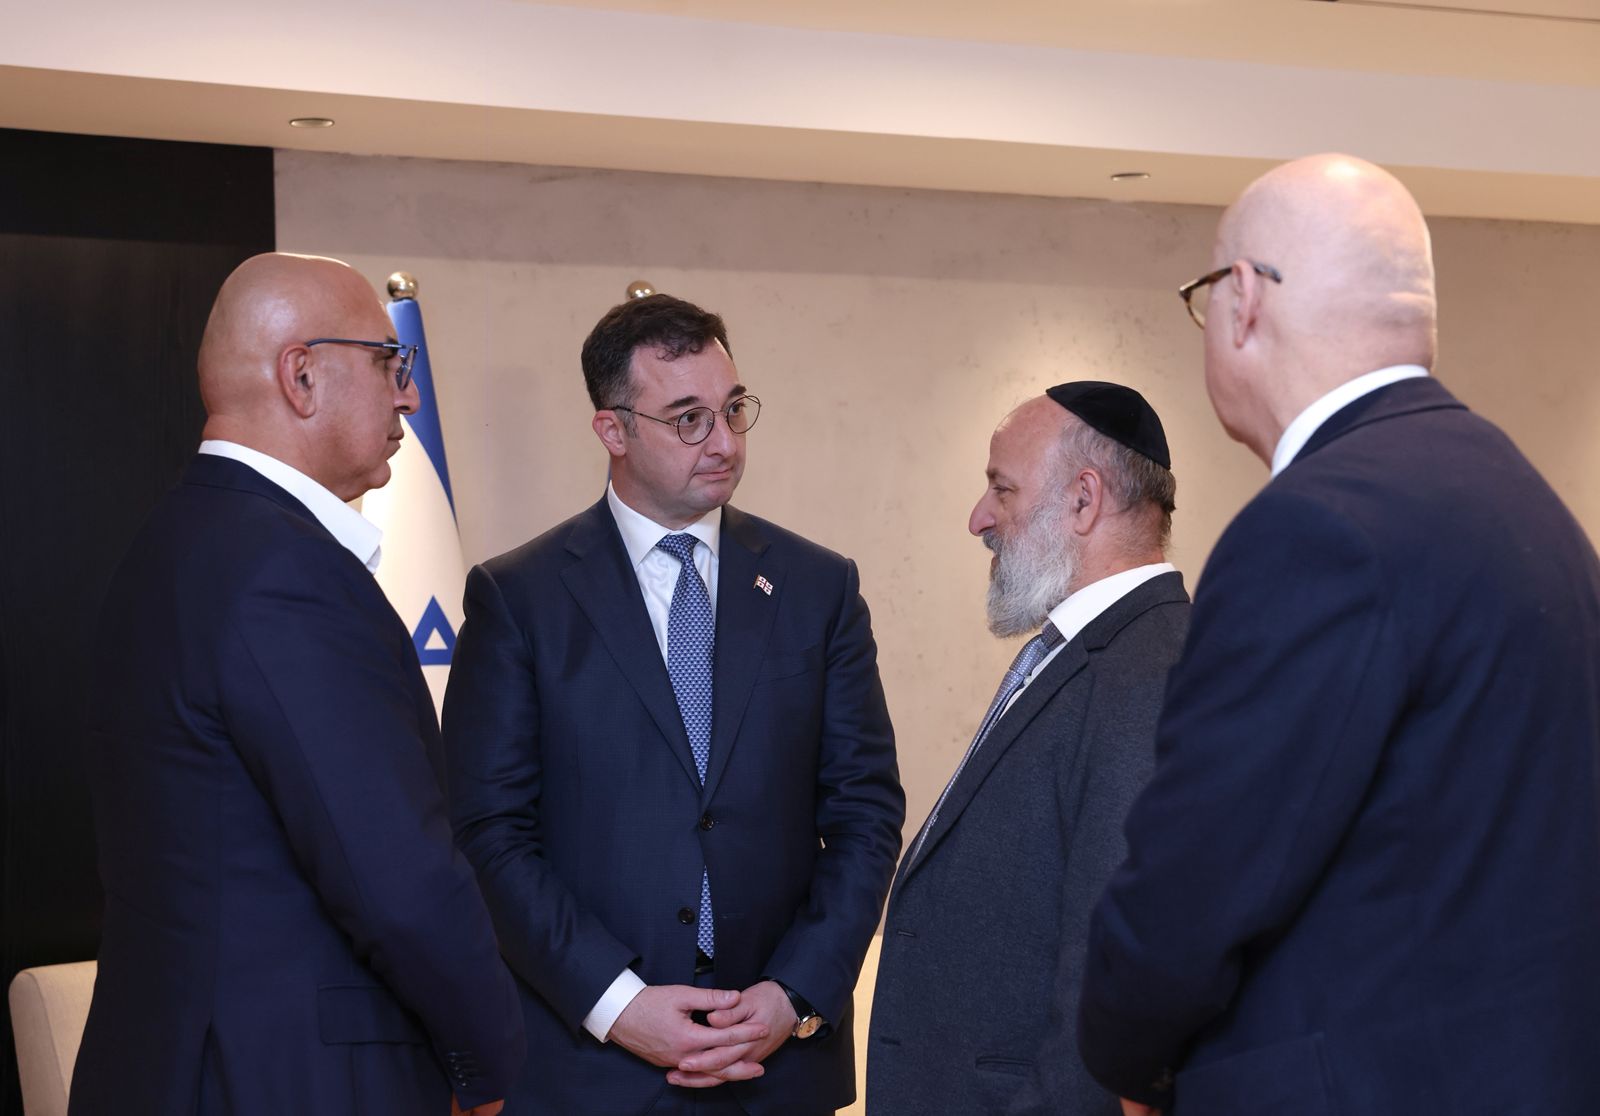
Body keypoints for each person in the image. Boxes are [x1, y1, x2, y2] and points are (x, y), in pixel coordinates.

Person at [1078, 154, 1600, 1116]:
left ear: (1243, 300)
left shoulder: (1314, 528)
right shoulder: (1526, 501)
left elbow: (1197, 883)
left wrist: (1126, 1058)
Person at [70, 253, 524, 1116]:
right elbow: (398, 882)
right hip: (286, 1081)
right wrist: (490, 1064)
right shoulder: (288, 572)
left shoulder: (170, 544)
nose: (409, 397)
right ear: (302, 375)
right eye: (389, 364)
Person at [442, 292, 905, 1115]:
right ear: (612, 430)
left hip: (776, 1066)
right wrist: (617, 1004)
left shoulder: (818, 587)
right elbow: (489, 833)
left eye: (733, 410)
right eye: (689, 419)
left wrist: (794, 992)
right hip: (591, 1071)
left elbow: (866, 813)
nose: (724, 442)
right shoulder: (519, 599)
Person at [867, 382, 1189, 1116]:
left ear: (1084, 500)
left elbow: (1110, 977)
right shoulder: (1085, 653)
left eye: (1002, 489)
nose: (978, 518)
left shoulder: (1149, 672)